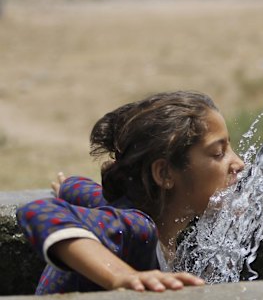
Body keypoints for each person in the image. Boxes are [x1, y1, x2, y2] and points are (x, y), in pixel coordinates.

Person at [16, 91, 245, 294]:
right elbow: (38, 211)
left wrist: (67, 188)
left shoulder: (118, 205)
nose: (239, 163)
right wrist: (121, 275)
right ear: (165, 173)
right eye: (218, 153)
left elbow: (82, 190)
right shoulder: (137, 229)